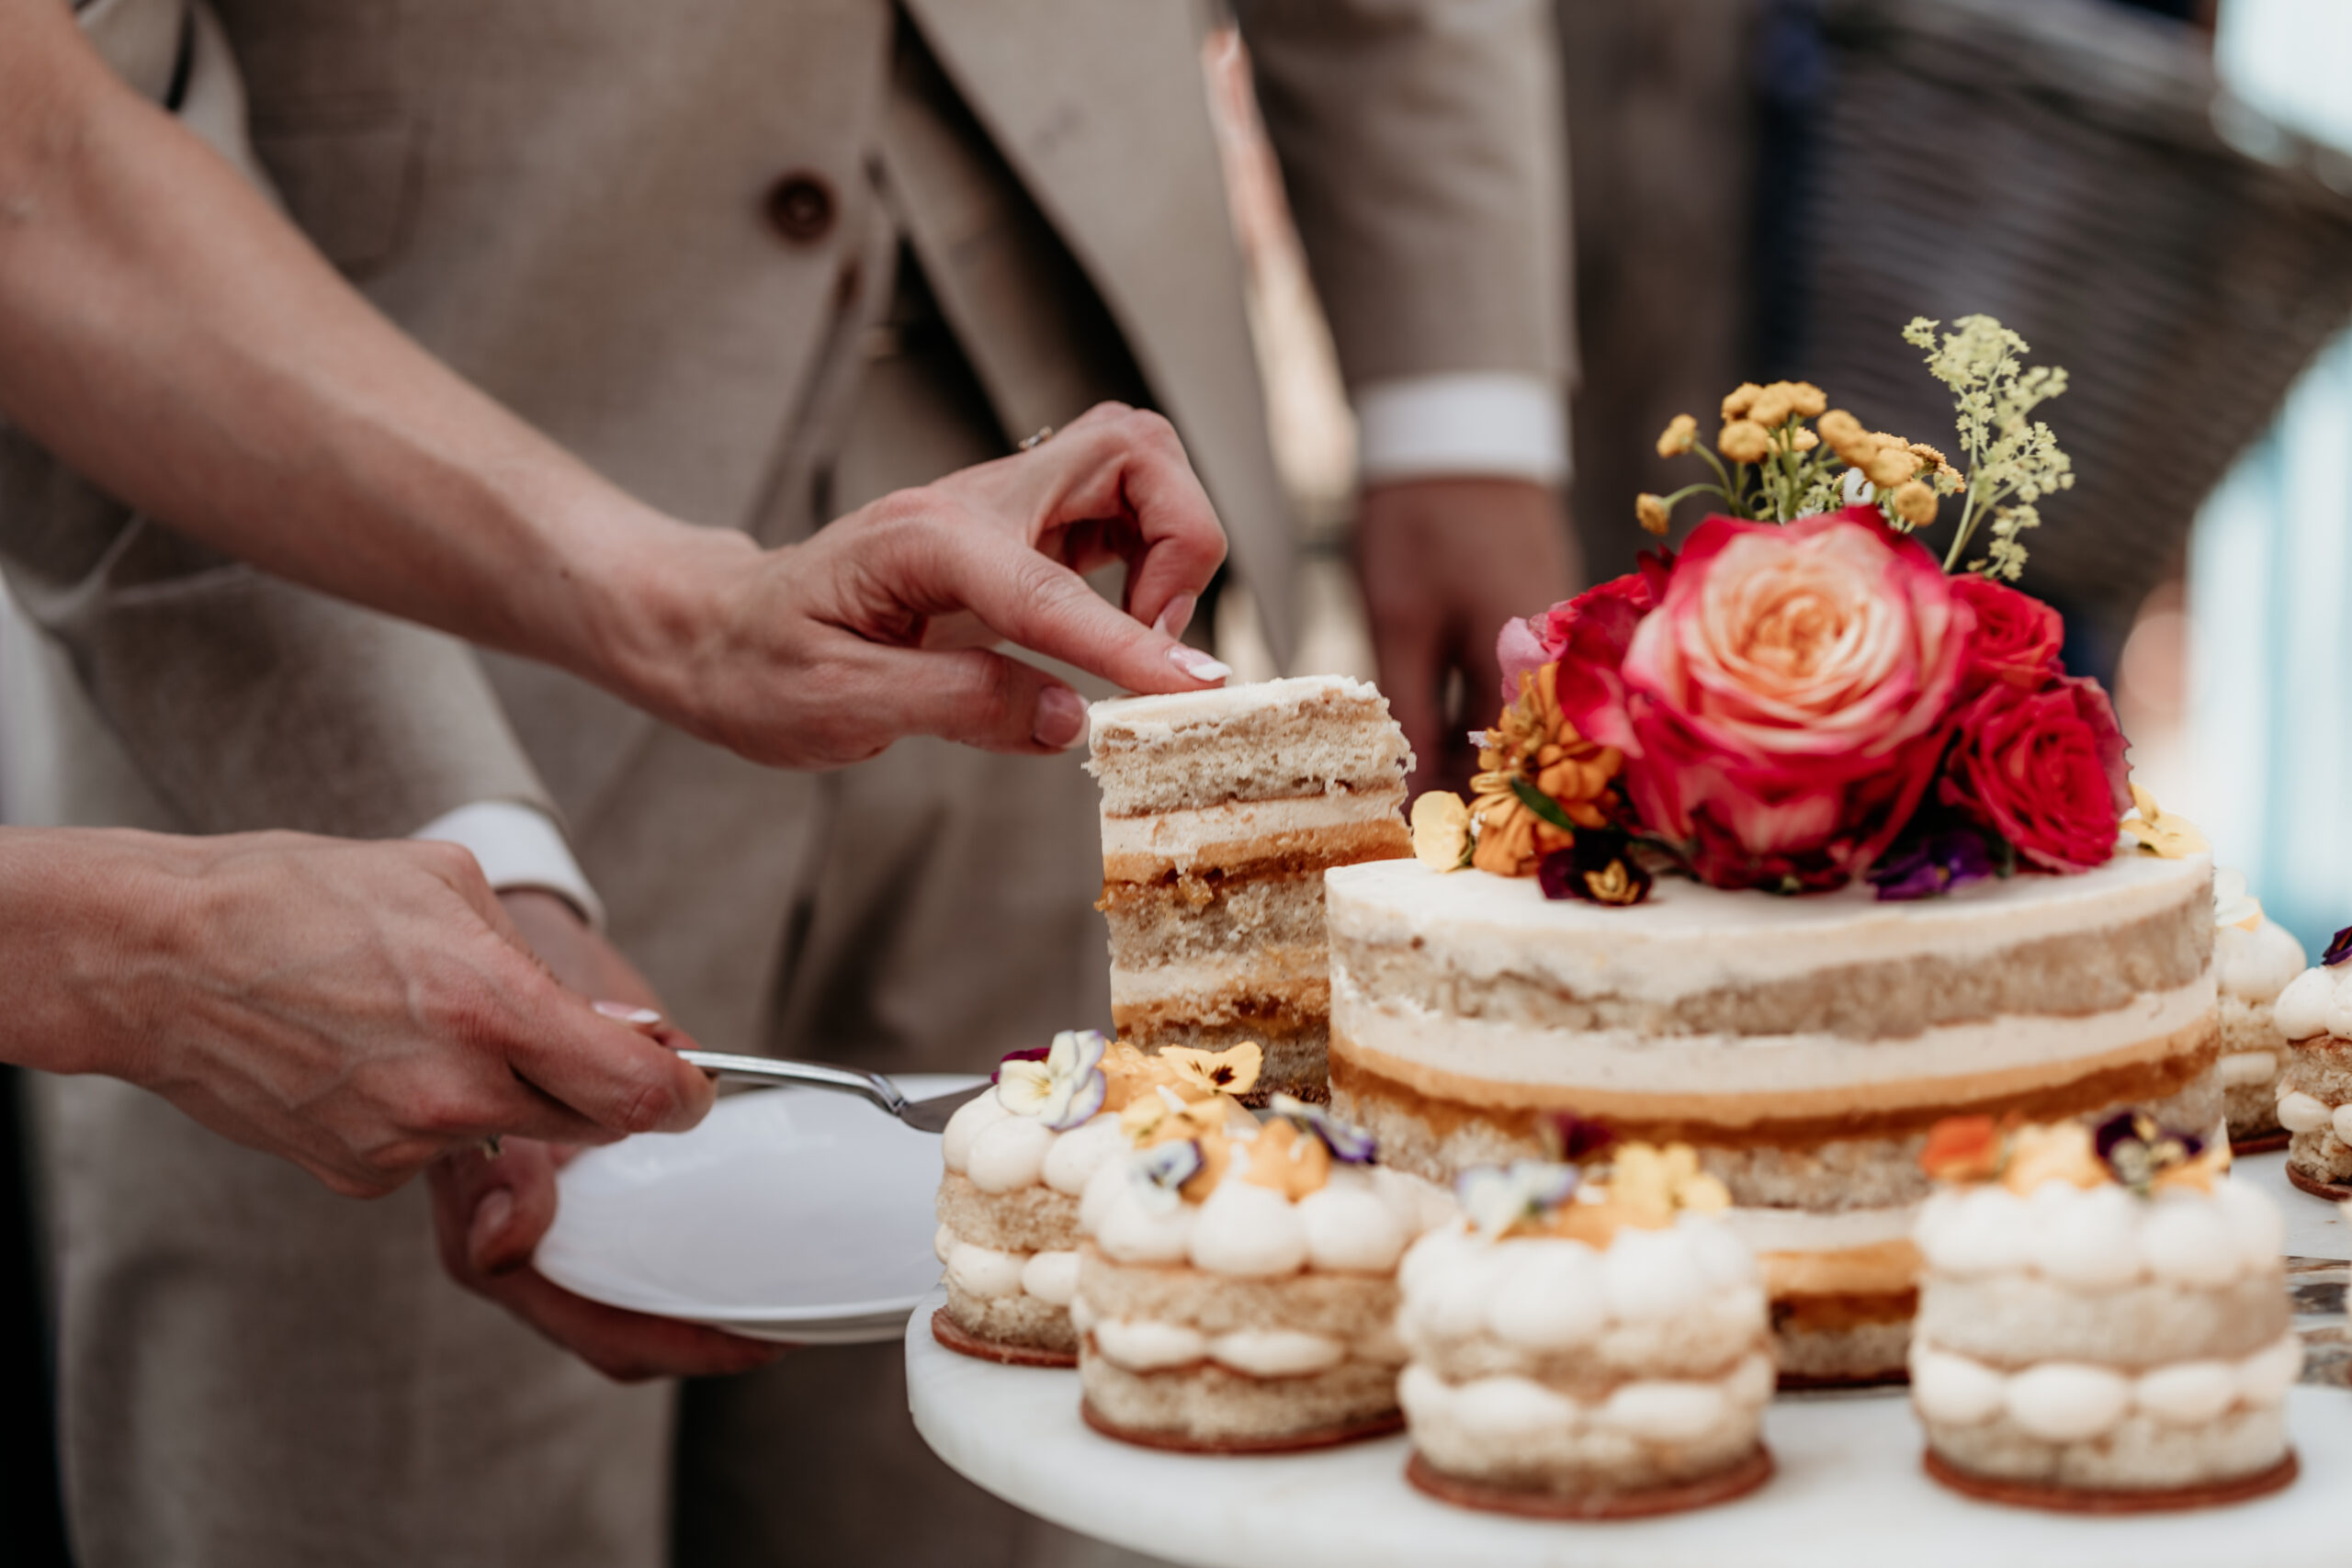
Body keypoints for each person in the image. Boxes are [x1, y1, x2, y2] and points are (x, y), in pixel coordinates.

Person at [0, 1, 1575, 1563]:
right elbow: (49, 165)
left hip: (1033, 629)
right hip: (371, 625)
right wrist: (203, 920)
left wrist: (1462, 409)